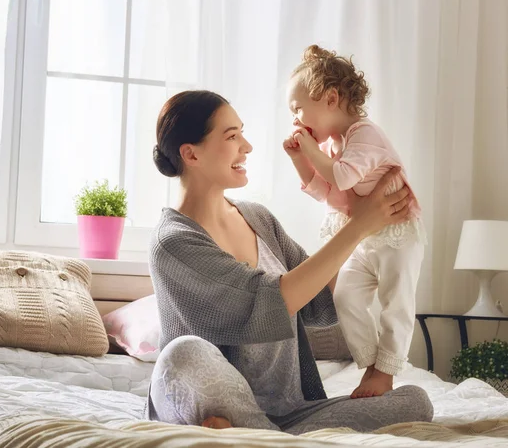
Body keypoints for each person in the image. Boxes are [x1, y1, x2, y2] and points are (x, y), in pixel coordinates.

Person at [146, 90, 433, 434]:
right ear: (191, 154)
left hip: (291, 412)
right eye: (232, 136)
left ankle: (257, 435)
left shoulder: (258, 218)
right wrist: (359, 226)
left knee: (416, 401)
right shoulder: (174, 242)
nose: (247, 146)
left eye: (242, 132)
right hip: (215, 395)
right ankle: (260, 433)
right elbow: (274, 300)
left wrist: (374, 229)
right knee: (183, 355)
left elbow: (320, 299)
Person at [284, 45, 427, 398]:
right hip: (365, 236)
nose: (297, 118)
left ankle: (386, 373)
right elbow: (326, 192)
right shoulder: (333, 145)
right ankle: (369, 364)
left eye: (299, 108)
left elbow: (344, 178)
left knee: (397, 303)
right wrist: (299, 158)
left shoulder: (365, 134)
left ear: (331, 98)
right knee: (345, 295)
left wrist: (312, 150)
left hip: (398, 234)